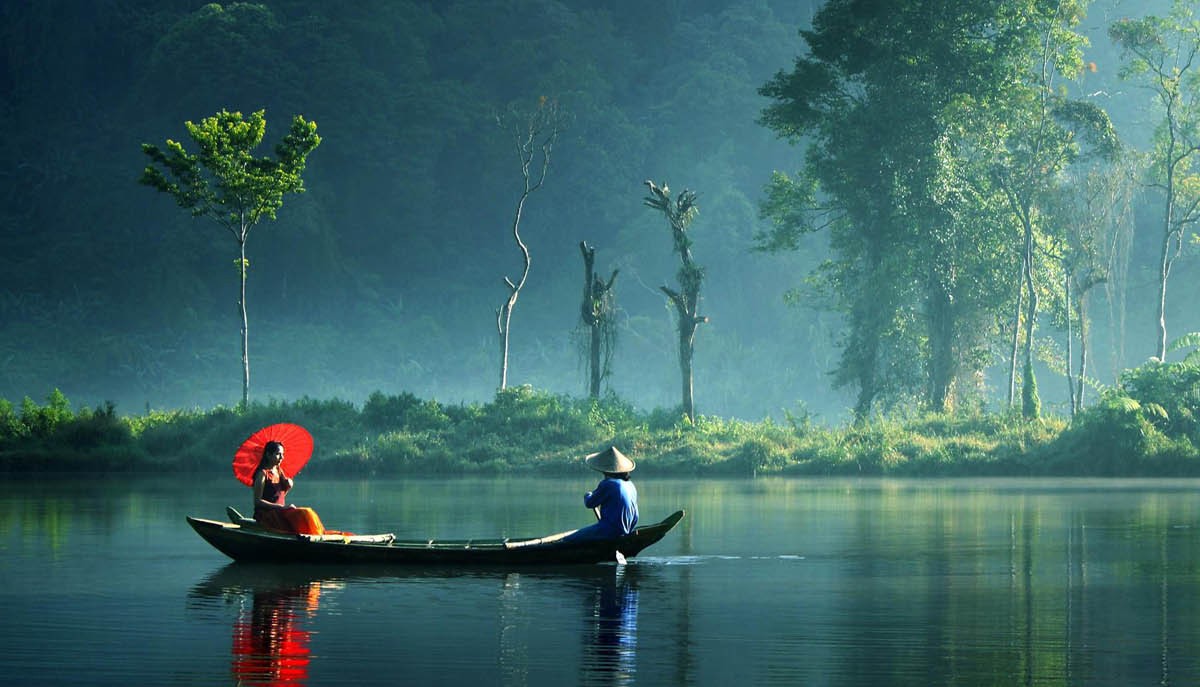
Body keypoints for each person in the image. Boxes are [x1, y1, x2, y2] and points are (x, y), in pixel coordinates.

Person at [566, 446, 639, 542]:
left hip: (610, 530)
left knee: (569, 539)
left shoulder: (609, 484)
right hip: (627, 529)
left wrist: (587, 495)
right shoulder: (630, 485)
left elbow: (590, 503)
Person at [252, 440, 325, 535]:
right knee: (304, 513)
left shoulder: (278, 470)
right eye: (278, 454)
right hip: (267, 515)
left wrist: (288, 486)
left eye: (282, 454)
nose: (281, 457)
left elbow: (279, 495)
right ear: (268, 455)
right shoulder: (262, 474)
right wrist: (281, 507)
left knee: (308, 513)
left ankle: (316, 536)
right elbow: (257, 502)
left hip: (280, 511)